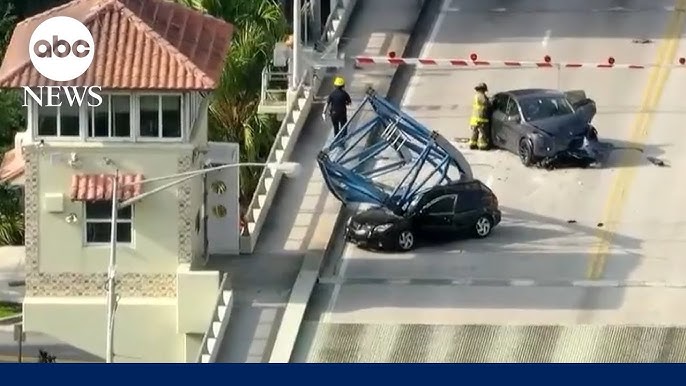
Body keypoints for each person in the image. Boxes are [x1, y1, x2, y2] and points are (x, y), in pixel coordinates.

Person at [469, 82, 491, 150]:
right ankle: (482, 146)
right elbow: (487, 104)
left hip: (474, 118)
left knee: (474, 133)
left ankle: (472, 144)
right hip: (481, 118)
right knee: (482, 133)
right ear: (482, 89)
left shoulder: (475, 96)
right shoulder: (482, 96)